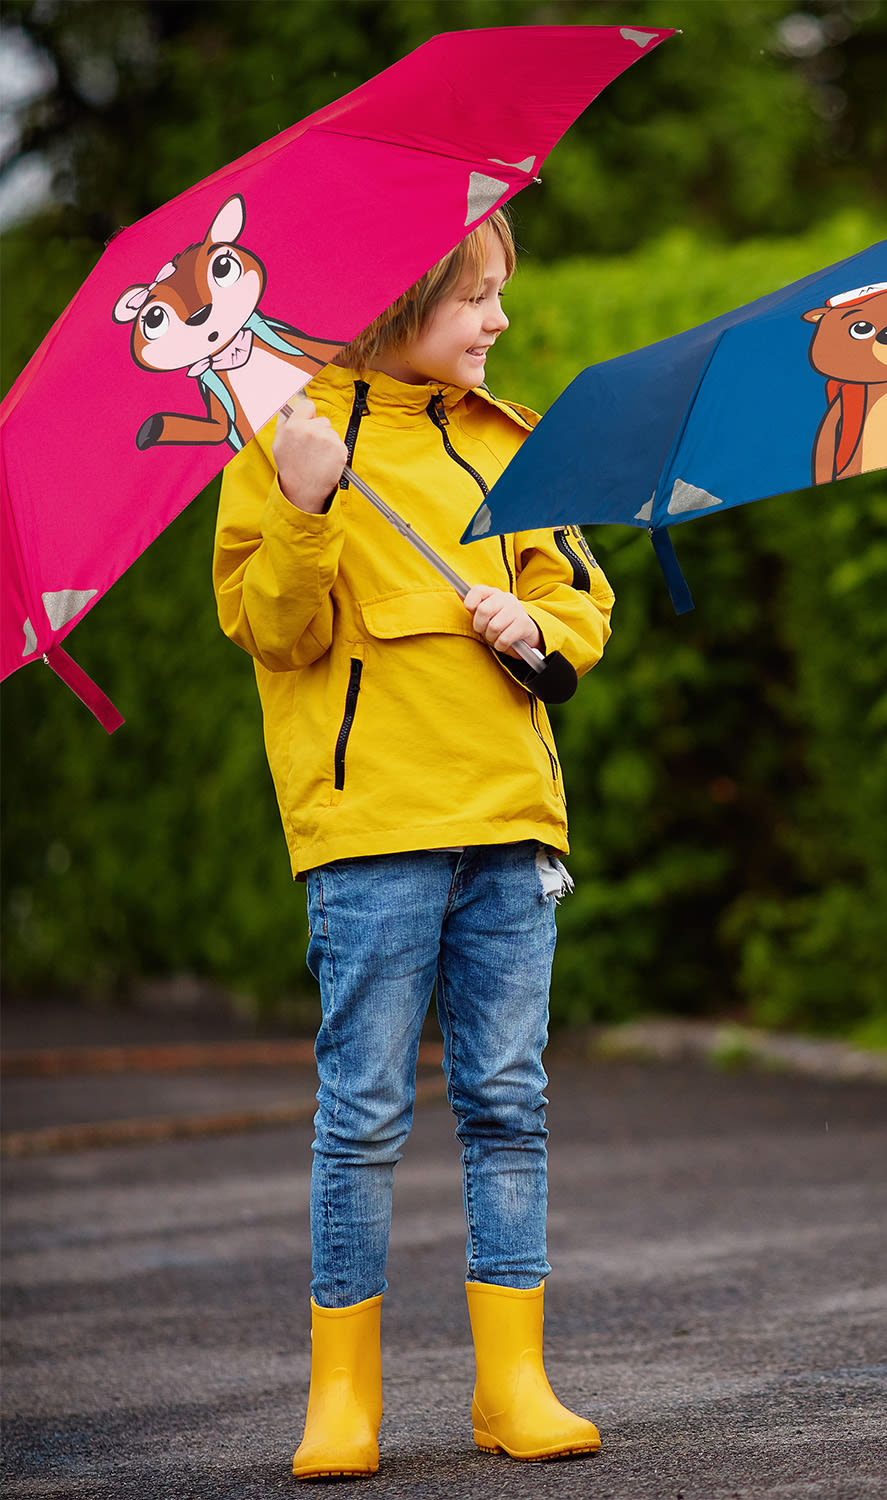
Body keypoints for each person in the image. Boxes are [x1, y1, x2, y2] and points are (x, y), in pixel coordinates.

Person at [213, 206, 613, 1480]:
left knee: (508, 1104)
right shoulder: (284, 441)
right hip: (373, 829)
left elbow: (580, 594)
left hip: (511, 817)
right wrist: (305, 502)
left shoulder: (516, 443)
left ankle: (515, 1384)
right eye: (475, 299)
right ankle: (344, 1400)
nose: (498, 319)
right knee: (365, 1112)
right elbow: (275, 629)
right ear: (400, 305)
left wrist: (536, 624)